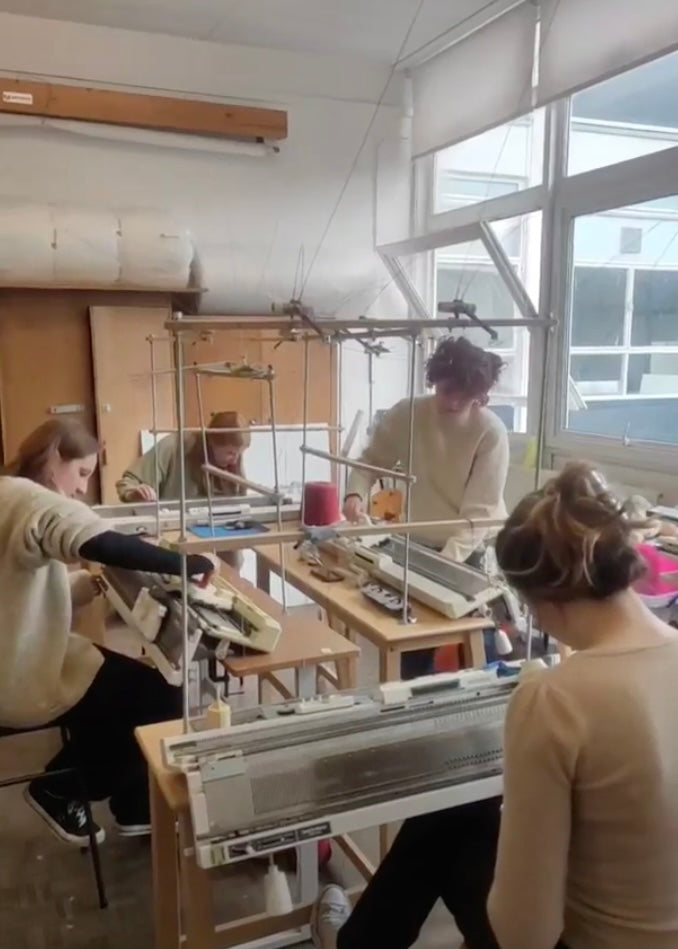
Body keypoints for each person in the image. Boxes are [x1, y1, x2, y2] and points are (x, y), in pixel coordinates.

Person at [311, 462, 678, 949]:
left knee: (445, 821)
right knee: (458, 810)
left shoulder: (556, 700)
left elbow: (526, 934)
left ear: (540, 603)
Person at [0, 419, 217, 847]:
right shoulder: (31, 499)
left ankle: (135, 808)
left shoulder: (7, 493)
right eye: (81, 473)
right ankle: (61, 790)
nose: (82, 488)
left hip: (19, 653)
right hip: (16, 676)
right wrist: (190, 566)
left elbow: (27, 585)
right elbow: (101, 542)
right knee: (162, 696)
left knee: (126, 681)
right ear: (52, 457)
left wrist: (97, 583)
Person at [343, 335, 509, 678]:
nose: (453, 402)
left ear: (479, 393)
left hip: (467, 551)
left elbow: (479, 515)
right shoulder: (409, 413)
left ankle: (483, 717)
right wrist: (354, 495)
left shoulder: (489, 431)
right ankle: (411, 714)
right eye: (447, 391)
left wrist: (443, 569)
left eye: (465, 396)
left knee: (473, 651)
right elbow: (369, 463)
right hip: (415, 544)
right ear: (434, 380)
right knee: (412, 645)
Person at [116, 410, 251, 503]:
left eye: (240, 453)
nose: (235, 459)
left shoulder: (233, 459)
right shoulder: (173, 446)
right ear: (212, 442)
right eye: (230, 453)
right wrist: (135, 493)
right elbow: (129, 482)